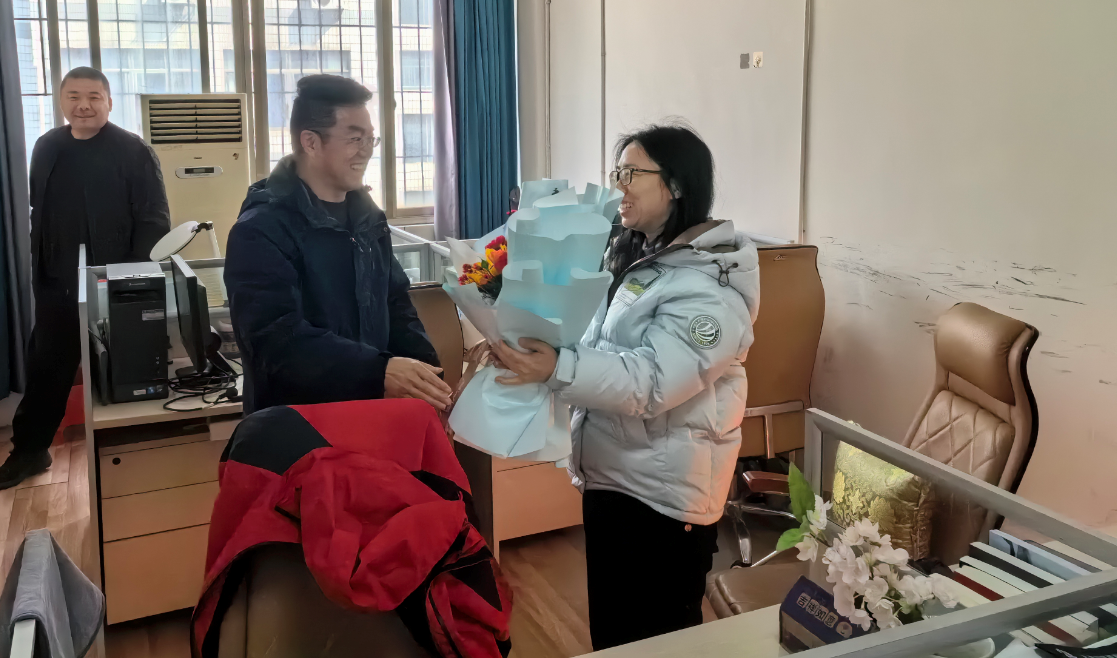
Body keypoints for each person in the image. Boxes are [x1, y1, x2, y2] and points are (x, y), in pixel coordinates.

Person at [488, 124, 760, 650]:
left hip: (662, 499)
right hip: (616, 476)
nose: (618, 185)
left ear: (675, 185)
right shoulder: (640, 259)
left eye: (632, 173)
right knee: (614, 636)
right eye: (617, 171)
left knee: (653, 640)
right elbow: (602, 345)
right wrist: (527, 339)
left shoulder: (709, 286)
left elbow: (653, 382)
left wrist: (558, 369)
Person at [0, 67, 171, 490]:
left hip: (115, 284)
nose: (83, 105)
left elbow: (154, 219)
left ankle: (138, 458)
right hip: (58, 283)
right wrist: (42, 270)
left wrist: (130, 280)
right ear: (61, 101)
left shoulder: (133, 150)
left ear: (109, 101)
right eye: (73, 96)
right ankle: (29, 452)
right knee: (46, 369)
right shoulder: (47, 146)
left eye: (93, 96)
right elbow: (38, 212)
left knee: (125, 370)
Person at [225, 74, 450, 415]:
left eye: (370, 139)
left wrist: (432, 383)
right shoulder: (261, 229)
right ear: (311, 142)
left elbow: (396, 307)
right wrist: (378, 371)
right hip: (301, 427)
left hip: (374, 417)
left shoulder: (369, 218)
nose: (366, 151)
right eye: (355, 138)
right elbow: (275, 342)